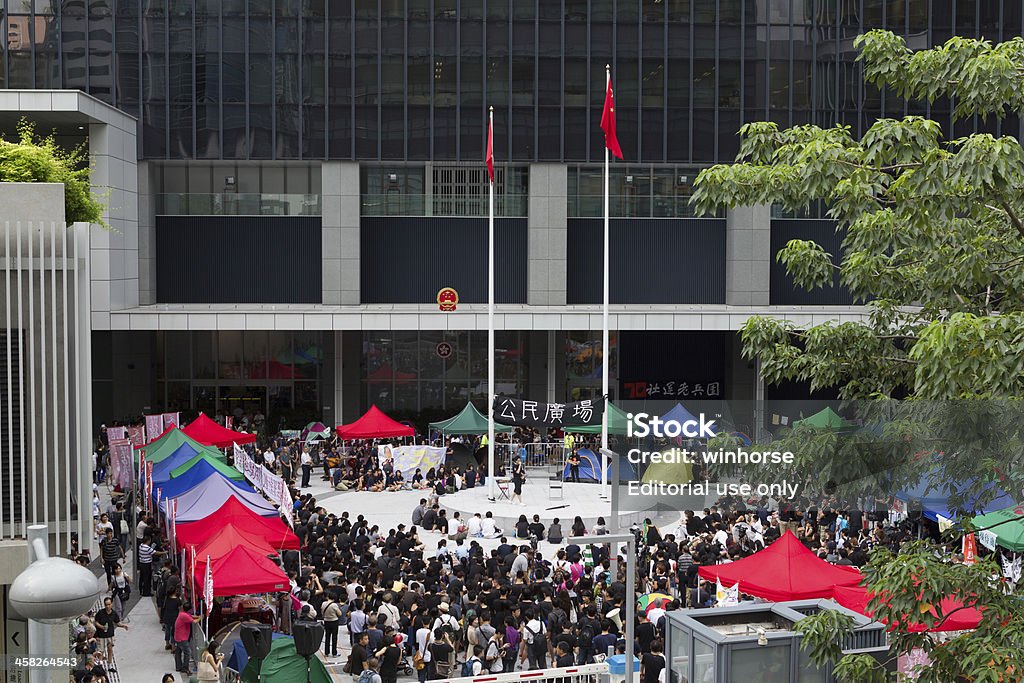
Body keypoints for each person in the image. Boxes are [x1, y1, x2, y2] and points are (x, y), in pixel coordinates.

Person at [93, 597, 128, 673]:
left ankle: (109, 665)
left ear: (111, 604)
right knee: (101, 651)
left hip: (110, 635)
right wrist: (101, 627)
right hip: (101, 635)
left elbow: (117, 622)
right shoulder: (100, 612)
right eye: (106, 605)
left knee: (110, 650)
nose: (107, 606)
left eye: (109, 604)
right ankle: (100, 666)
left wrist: (123, 626)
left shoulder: (114, 613)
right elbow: (96, 622)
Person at [174, 603, 201, 674]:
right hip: (182, 638)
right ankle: (185, 668)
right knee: (187, 652)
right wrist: (200, 618)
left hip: (178, 636)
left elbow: (192, 617)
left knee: (178, 652)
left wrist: (196, 616)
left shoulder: (182, 614)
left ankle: (178, 666)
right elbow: (194, 621)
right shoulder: (184, 616)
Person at [323, 593, 344, 659]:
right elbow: (339, 614)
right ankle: (334, 652)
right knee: (334, 637)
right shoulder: (334, 605)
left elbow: (321, 611)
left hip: (326, 621)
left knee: (327, 637)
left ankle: (326, 652)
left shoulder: (323, 604)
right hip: (334, 621)